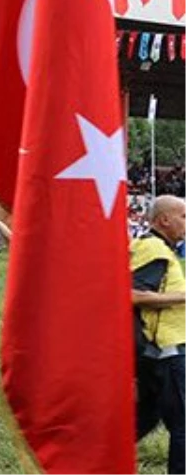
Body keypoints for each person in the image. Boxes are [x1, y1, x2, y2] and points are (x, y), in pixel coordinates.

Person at [132, 195, 186, 472]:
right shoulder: (154, 249)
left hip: (161, 352)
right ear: (164, 219)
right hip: (168, 350)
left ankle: (88, 456)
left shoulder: (157, 248)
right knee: (182, 426)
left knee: (145, 419)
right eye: (183, 217)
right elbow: (132, 294)